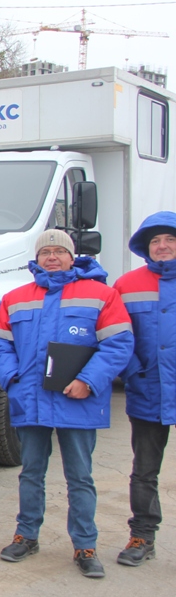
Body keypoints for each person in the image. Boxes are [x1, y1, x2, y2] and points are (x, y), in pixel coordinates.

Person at [0, 229, 133, 579]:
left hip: (78, 402)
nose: (51, 257)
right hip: (32, 401)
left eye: (59, 251)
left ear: (72, 257)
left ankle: (85, 545)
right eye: (45, 252)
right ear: (36, 259)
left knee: (80, 477)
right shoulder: (17, 297)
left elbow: (119, 344)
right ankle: (26, 535)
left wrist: (88, 381)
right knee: (31, 473)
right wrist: (14, 380)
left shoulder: (101, 295)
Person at [113, 211, 176, 566]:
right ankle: (142, 536)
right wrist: (133, 373)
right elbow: (117, 337)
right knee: (144, 471)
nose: (162, 246)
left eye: (169, 239)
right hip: (147, 390)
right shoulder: (127, 285)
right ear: (145, 247)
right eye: (155, 241)